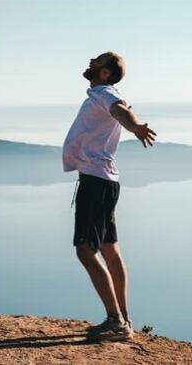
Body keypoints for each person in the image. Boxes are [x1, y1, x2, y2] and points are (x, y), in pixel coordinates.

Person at [62, 51, 156, 342]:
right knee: (109, 248)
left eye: (97, 61)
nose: (91, 61)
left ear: (105, 73)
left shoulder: (104, 93)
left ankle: (116, 322)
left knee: (85, 250)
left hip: (95, 181)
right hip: (104, 180)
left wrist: (135, 126)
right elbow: (119, 109)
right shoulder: (103, 93)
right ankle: (123, 317)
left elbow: (120, 111)